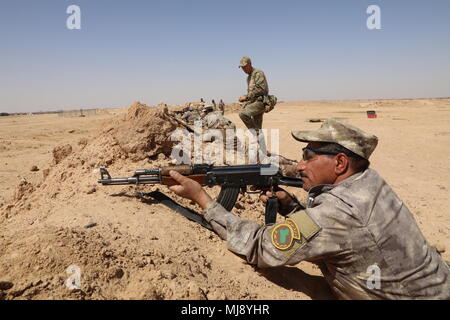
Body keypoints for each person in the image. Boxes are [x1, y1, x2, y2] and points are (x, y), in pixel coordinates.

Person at [167, 119, 450, 299]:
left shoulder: (336, 212)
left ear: (340, 163)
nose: (300, 165)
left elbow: (260, 247)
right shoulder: (369, 182)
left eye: (309, 157)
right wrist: (292, 208)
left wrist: (203, 200)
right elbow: (337, 236)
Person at [238, 56, 269, 131]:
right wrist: (246, 101)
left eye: (245, 66)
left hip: (260, 102)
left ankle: (255, 133)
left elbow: (261, 89)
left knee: (243, 114)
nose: (244, 69)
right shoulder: (249, 77)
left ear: (250, 64)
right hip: (253, 102)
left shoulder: (258, 73)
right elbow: (252, 92)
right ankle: (258, 136)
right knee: (258, 127)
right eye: (242, 68)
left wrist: (246, 96)